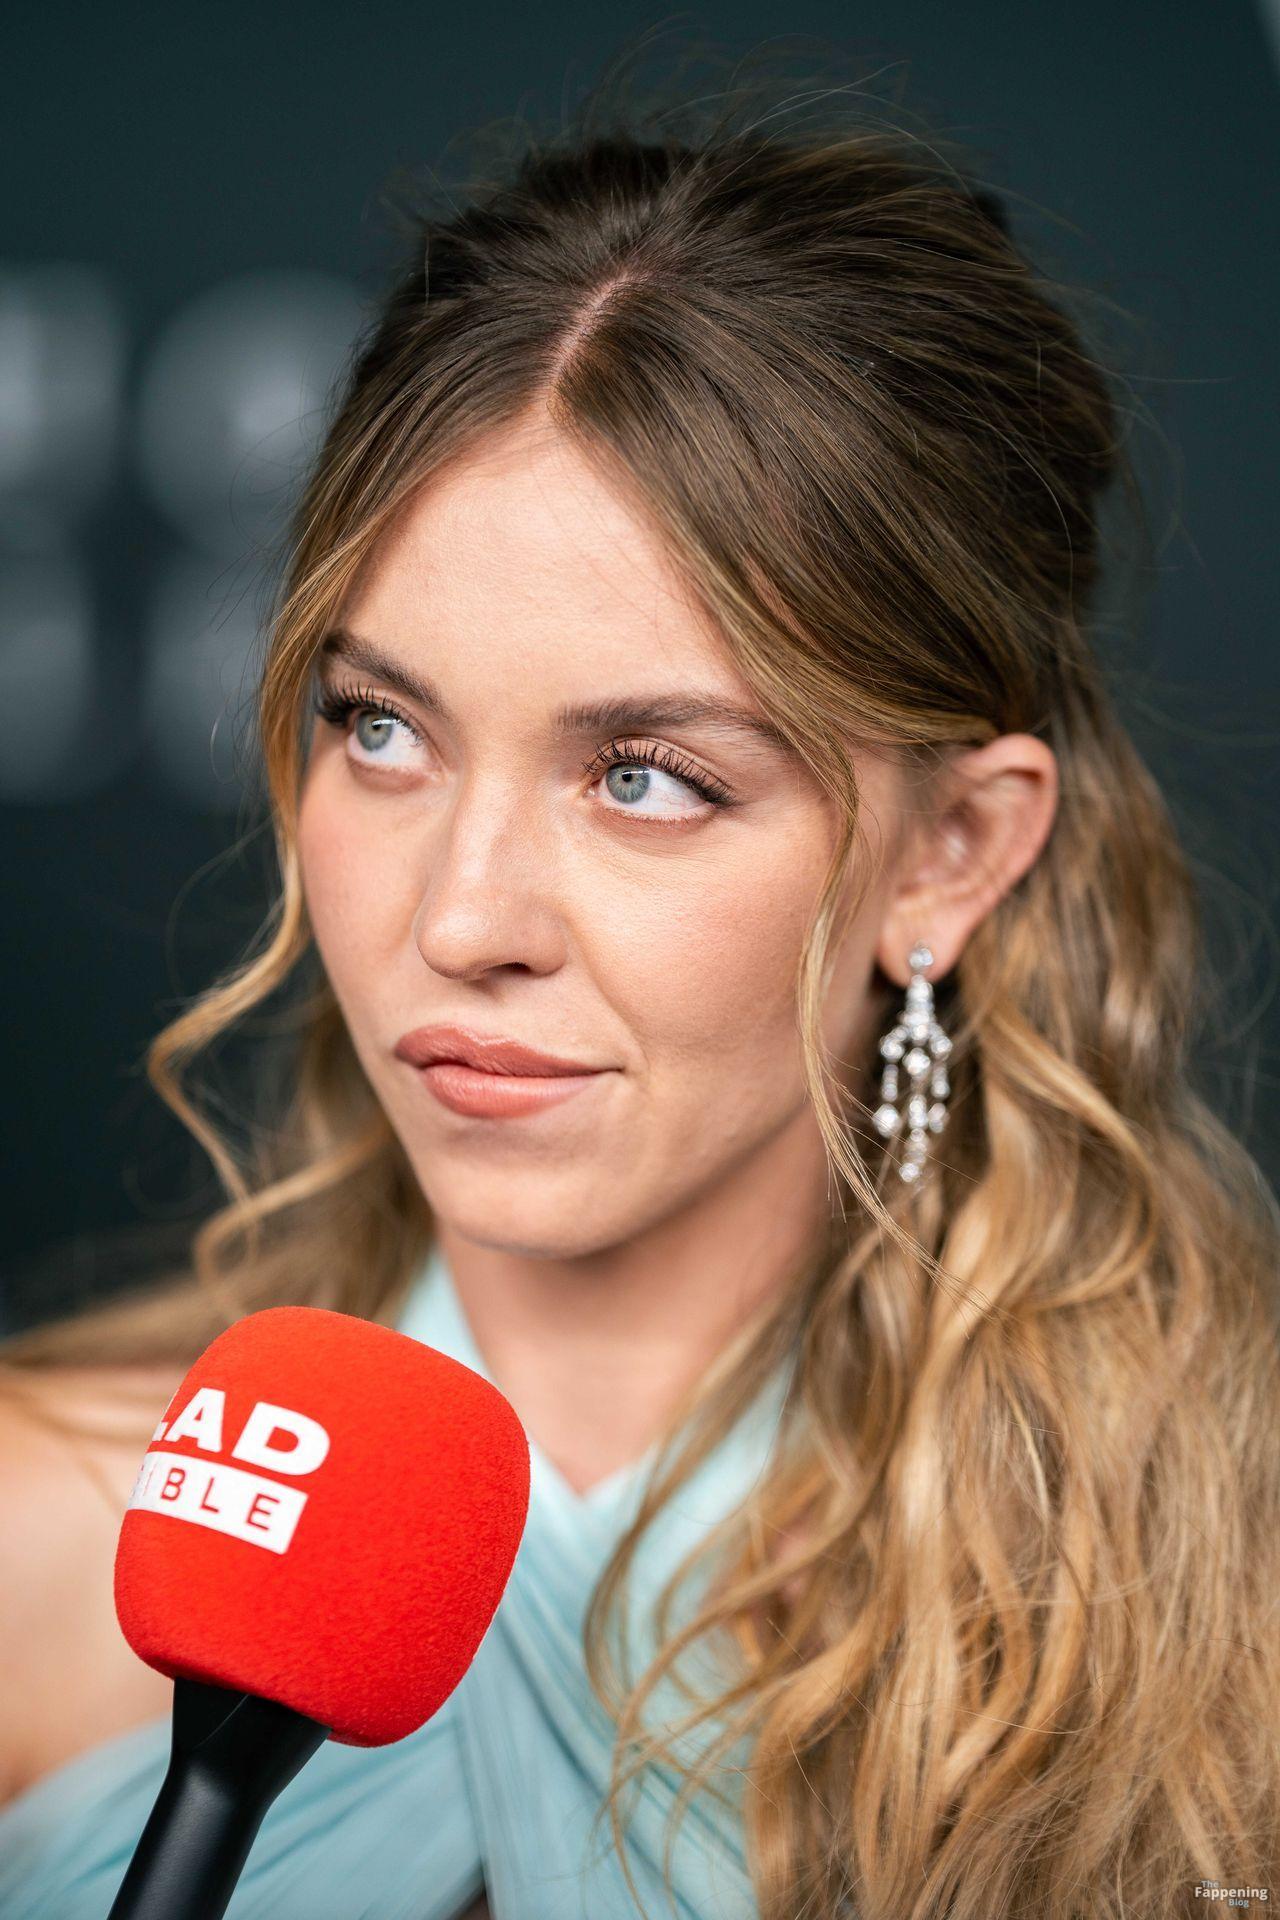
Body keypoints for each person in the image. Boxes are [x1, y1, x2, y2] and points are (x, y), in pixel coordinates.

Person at [1, 72, 1277, 1920]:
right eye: (383, 728)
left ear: (950, 854)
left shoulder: (1215, 1622)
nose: (461, 918)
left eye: (648, 777)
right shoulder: (44, 1534)